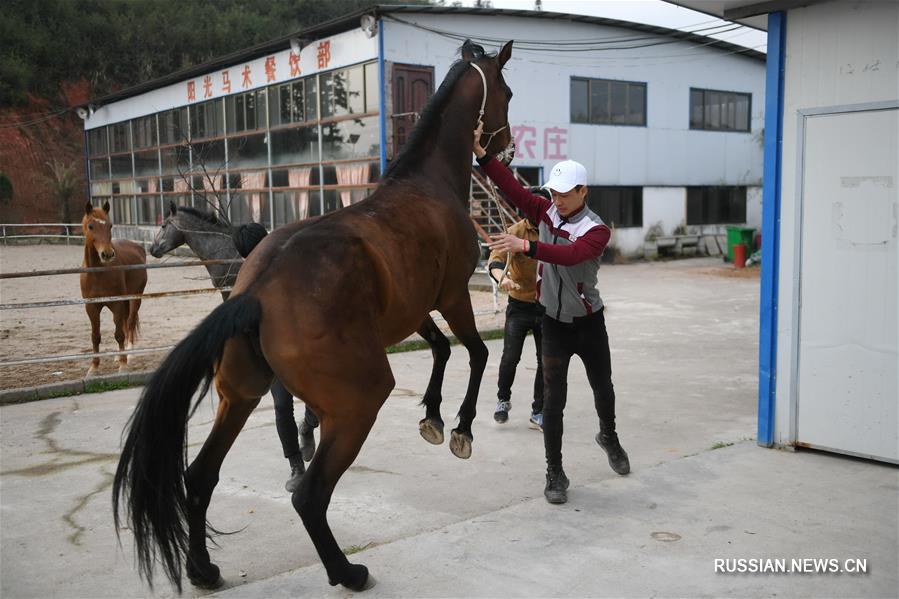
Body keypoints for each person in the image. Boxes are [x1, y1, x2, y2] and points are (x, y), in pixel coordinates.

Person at [475, 124, 630, 505]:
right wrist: (480, 153)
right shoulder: (544, 212)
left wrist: (527, 247)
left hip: (590, 324)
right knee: (552, 401)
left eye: (565, 195)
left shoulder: (596, 231)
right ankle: (554, 472)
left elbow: (572, 255)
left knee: (603, 389)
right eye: (553, 194)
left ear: (583, 192)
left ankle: (608, 434)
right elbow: (511, 187)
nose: (556, 201)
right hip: (554, 324)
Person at [233, 222, 319, 493]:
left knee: (317, 399)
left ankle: (308, 426)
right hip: (272, 355)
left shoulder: (292, 267)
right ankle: (296, 466)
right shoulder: (246, 279)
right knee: (282, 406)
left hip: (302, 348)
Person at [487, 213, 544, 431]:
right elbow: (495, 260)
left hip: (546, 306)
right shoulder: (514, 232)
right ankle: (503, 400)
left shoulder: (554, 230)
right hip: (519, 305)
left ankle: (538, 411)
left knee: (546, 361)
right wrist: (503, 278)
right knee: (510, 357)